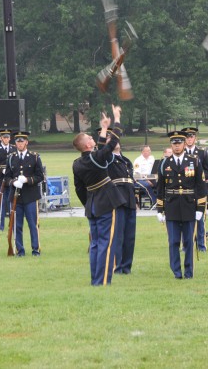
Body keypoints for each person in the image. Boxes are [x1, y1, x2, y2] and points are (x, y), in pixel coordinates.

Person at [72, 106, 125, 286]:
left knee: (95, 244)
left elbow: (79, 188)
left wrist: (103, 128)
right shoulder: (96, 158)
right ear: (87, 145)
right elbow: (111, 144)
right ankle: (102, 281)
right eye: (89, 138)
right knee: (105, 244)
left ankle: (95, 278)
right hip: (105, 203)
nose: (92, 138)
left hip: (92, 205)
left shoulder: (78, 163)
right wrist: (116, 118)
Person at [155, 131, 207, 279]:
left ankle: (189, 271)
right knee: (173, 241)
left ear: (184, 144)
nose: (177, 146)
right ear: (171, 145)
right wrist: (160, 209)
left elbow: (201, 186)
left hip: (189, 205)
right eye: (174, 144)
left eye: (179, 143)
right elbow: (160, 188)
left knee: (189, 242)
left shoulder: (194, 161)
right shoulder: (164, 163)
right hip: (171, 207)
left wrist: (200, 208)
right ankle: (176, 271)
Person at [99, 130, 136, 275]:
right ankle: (117, 266)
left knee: (130, 235)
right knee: (118, 234)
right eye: (111, 140)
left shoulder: (126, 160)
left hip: (129, 198)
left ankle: (127, 266)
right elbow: (102, 149)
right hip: (116, 199)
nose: (115, 142)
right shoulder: (107, 158)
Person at [4, 131, 44, 257]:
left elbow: (40, 176)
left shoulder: (35, 157)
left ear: (26, 142)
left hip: (31, 196)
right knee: (17, 225)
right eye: (17, 141)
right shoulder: (11, 157)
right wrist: (13, 182)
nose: (19, 144)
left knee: (33, 224)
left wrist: (27, 180)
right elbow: (6, 177)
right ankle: (20, 250)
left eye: (22, 141)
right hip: (16, 196)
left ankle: (35, 249)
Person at [181, 126, 208, 252]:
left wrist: (199, 179)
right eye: (187, 137)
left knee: (200, 219)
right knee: (184, 219)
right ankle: (186, 246)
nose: (189, 139)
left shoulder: (202, 153)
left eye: (191, 136)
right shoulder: (181, 153)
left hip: (199, 191)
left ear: (195, 138)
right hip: (185, 190)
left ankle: (201, 245)